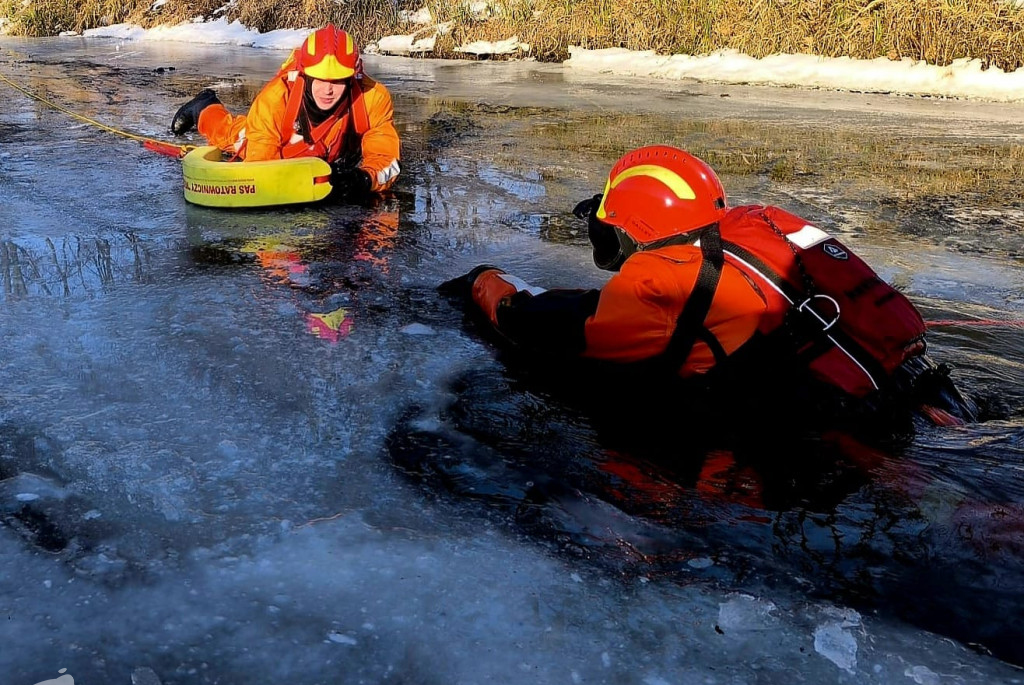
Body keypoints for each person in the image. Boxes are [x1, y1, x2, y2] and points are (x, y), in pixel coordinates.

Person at [443, 145, 976, 428]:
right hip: (915, 385)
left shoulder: (660, 282)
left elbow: (544, 326)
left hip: (844, 432)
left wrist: (483, 283)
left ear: (634, 227)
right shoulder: (758, 223)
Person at [170, 24, 401, 198]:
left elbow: (387, 161)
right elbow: (260, 175)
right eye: (319, 79)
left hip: (335, 149)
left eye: (338, 81)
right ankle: (204, 107)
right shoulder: (275, 99)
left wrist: (363, 179)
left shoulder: (373, 99)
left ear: (353, 78)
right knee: (236, 136)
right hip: (283, 145)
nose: (328, 90)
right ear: (305, 75)